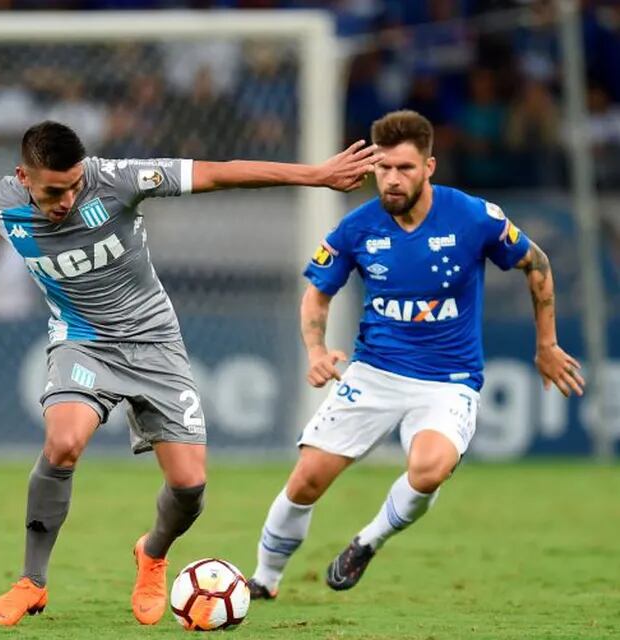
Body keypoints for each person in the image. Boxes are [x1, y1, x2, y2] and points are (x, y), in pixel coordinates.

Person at [0, 121, 379, 626]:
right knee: (62, 444)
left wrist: (314, 174)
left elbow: (220, 173)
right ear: (23, 176)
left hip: (155, 343)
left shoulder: (119, 179)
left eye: (75, 185)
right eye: (55, 191)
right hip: (83, 340)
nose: (68, 200)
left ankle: (152, 552)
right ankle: (32, 582)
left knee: (189, 487)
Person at [246, 110, 584, 601]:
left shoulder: (472, 217)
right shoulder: (356, 227)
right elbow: (317, 294)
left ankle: (367, 541)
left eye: (404, 168)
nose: (392, 179)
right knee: (307, 481)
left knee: (429, 468)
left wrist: (547, 345)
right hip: (375, 372)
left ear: (429, 166)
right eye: (383, 168)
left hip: (447, 380)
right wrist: (316, 350)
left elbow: (538, 263)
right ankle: (264, 579)